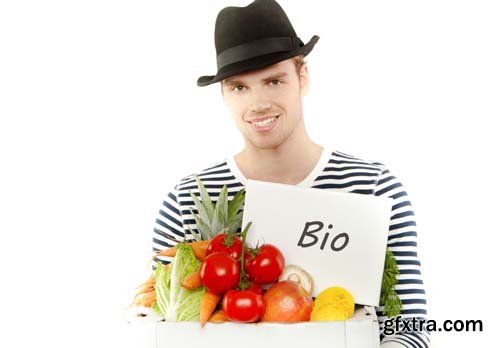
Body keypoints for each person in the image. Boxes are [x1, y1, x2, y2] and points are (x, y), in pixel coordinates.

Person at [152, 1, 429, 347]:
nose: (258, 104)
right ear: (224, 94)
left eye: (273, 80)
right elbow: (163, 328)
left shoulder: (375, 188)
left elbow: (408, 328)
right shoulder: (186, 200)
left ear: (303, 77)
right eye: (239, 87)